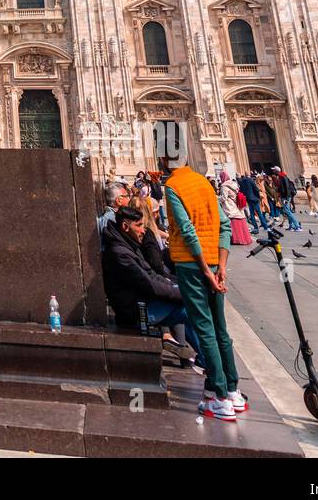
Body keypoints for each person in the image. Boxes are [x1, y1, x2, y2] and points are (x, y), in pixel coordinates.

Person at [162, 151, 246, 422]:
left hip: (192, 266)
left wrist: (202, 268)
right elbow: (224, 225)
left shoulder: (173, 186)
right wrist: (220, 265)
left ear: (165, 162)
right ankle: (233, 390)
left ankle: (220, 397)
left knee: (204, 329)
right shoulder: (204, 183)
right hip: (214, 264)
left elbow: (186, 231)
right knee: (221, 329)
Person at [102, 205, 200, 358]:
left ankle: (207, 360)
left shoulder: (127, 245)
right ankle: (210, 363)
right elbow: (150, 284)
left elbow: (152, 276)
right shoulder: (119, 253)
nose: (143, 230)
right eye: (139, 225)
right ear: (125, 226)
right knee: (192, 310)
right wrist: (184, 294)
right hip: (136, 312)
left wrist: (181, 288)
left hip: (142, 304)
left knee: (193, 308)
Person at [219, 172, 253, 246]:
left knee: (233, 221)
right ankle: (245, 238)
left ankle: (236, 239)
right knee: (240, 219)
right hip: (237, 204)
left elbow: (223, 198)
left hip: (230, 205)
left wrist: (216, 198)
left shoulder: (224, 186)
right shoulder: (234, 183)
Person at [97, 182, 131, 247]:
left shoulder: (111, 215)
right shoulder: (112, 219)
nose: (129, 199)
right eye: (127, 196)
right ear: (119, 201)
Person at [271, 167, 302, 231]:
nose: (273, 171)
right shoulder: (281, 176)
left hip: (285, 197)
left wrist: (287, 198)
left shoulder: (282, 177)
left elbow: (287, 188)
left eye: (274, 170)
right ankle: (291, 225)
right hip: (284, 196)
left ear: (277, 171)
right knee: (288, 211)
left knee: (288, 211)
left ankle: (297, 226)